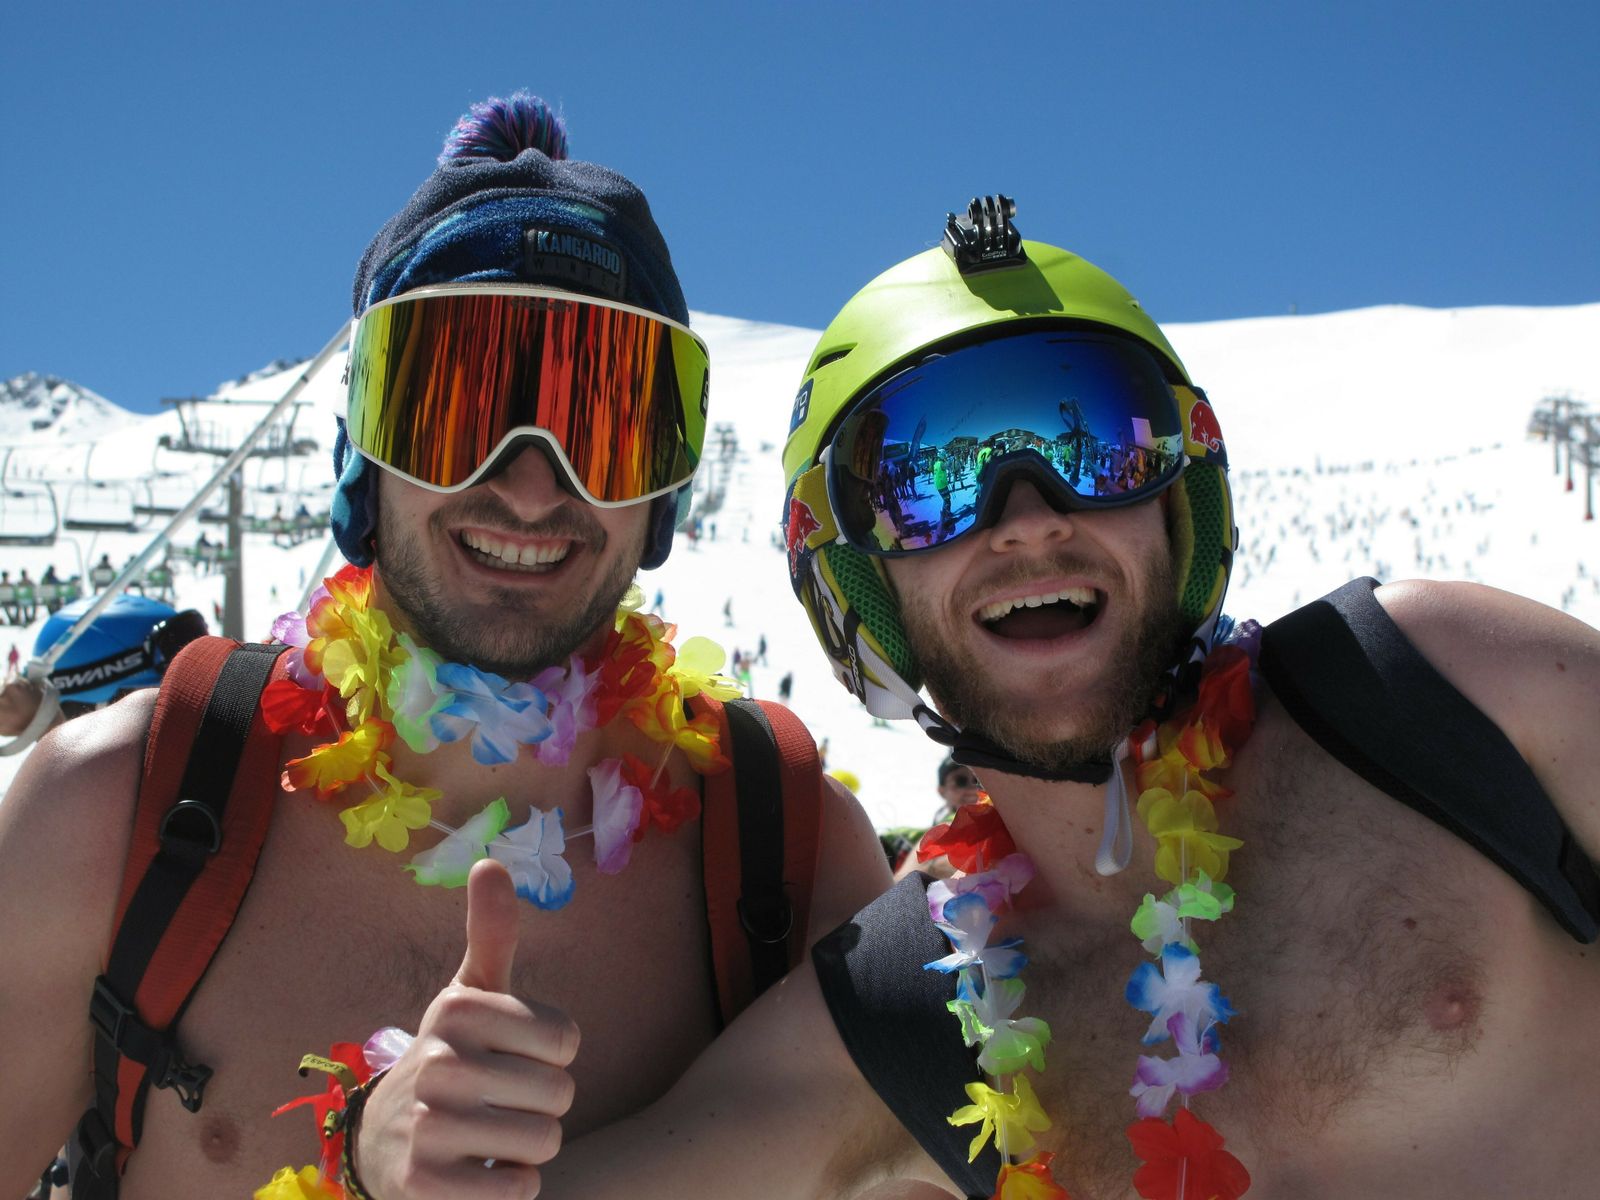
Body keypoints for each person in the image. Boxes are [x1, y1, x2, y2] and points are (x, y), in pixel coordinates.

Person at [418, 195, 1600, 1198]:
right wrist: (393, 1154)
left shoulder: (1435, 690)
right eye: (926, 481)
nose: (1029, 516)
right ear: (853, 579)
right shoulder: (909, 1005)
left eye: (1096, 446)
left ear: (1177, 500)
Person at [0, 93, 888, 1199]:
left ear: (661, 495)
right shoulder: (122, 804)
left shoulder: (785, 844)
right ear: (363, 461)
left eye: (603, 421)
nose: (526, 483)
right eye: (455, 406)